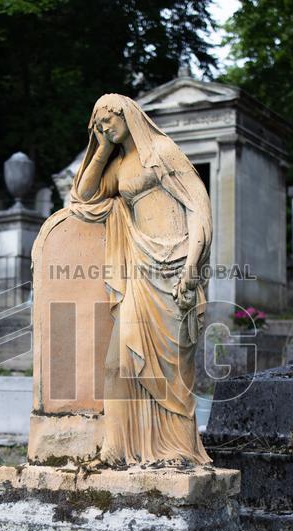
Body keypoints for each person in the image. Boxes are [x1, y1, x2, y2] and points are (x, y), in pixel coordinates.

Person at [42, 93, 213, 465]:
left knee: (172, 368)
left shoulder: (162, 151)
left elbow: (198, 206)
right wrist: (102, 149)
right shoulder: (118, 166)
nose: (105, 127)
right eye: (99, 124)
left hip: (177, 266)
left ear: (127, 113)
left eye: (109, 119)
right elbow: (82, 196)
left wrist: (192, 266)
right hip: (140, 270)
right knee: (119, 361)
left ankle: (177, 450)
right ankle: (120, 450)